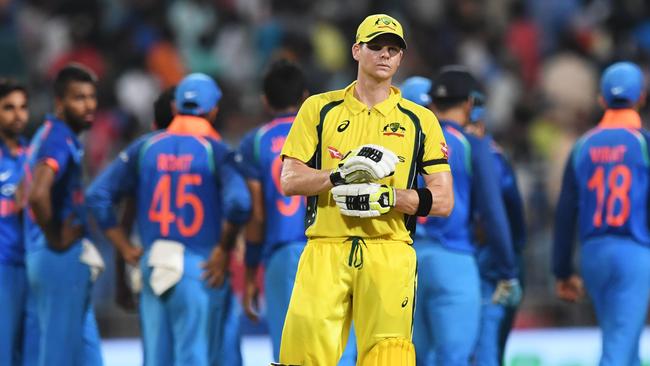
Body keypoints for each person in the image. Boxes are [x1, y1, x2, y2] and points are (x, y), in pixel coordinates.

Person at [276, 14, 454, 365]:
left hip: (389, 251)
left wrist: (387, 198)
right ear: (356, 50)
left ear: (401, 58)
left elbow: (444, 200)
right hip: (325, 247)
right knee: (301, 357)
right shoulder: (319, 109)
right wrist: (339, 176)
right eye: (375, 47)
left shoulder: (421, 120)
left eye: (393, 49)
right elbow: (289, 179)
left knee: (388, 358)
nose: (385, 55)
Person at [86, 73, 250, 366]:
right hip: (199, 267)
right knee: (196, 357)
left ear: (175, 109)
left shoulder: (145, 148)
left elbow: (97, 196)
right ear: (213, 110)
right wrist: (223, 249)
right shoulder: (215, 150)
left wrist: (124, 247)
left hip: (152, 264)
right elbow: (239, 203)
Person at [236, 59, 357, 364]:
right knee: (339, 346)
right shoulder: (328, 130)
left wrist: (251, 271)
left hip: (283, 255)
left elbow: (257, 215)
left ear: (265, 101)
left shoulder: (256, 142)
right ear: (306, 96)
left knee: (289, 352)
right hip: (332, 248)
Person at [400, 70, 521, 366]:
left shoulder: (402, 141)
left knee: (415, 357)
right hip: (454, 258)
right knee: (454, 358)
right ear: (468, 105)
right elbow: (493, 213)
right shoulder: (471, 143)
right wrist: (508, 269)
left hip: (405, 260)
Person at [553, 61, 650, 366]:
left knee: (623, 342)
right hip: (632, 253)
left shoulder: (582, 146)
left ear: (601, 100)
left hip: (593, 255)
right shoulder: (643, 143)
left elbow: (566, 212)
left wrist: (562, 270)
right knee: (618, 350)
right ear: (642, 97)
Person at [23, 64, 103, 366]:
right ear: (59, 102)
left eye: (91, 97)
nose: (89, 105)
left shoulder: (46, 134)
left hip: (50, 255)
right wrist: (54, 235)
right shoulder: (60, 137)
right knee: (59, 356)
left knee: (87, 355)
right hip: (58, 256)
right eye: (78, 98)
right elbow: (36, 193)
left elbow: (21, 192)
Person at [463, 92, 526, 366]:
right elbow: (507, 211)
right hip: (483, 256)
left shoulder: (441, 146)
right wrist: (511, 260)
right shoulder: (490, 153)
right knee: (487, 338)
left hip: (459, 252)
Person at [0, 79, 30, 366]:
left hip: (30, 265)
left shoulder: (32, 155)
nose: (17, 115)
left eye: (22, 107)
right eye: (9, 108)